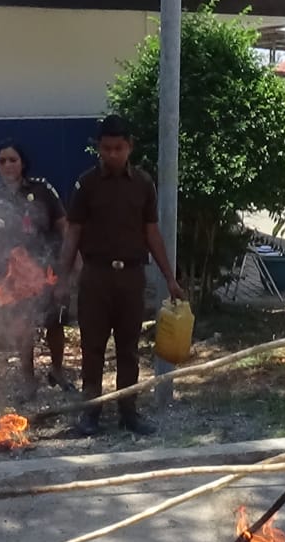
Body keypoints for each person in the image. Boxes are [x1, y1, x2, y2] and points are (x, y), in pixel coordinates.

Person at [57, 115, 184, 437]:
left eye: (119, 148)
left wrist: (169, 277)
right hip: (95, 279)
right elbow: (73, 233)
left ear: (130, 147)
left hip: (131, 278)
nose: (112, 154)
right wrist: (62, 279)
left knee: (129, 349)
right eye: (106, 148)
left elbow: (152, 232)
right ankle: (91, 414)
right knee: (92, 348)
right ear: (98, 148)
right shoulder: (85, 184)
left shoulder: (143, 184)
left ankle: (129, 411)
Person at [0, 140, 71, 400]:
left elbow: (63, 225)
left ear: (23, 163)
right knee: (23, 326)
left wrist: (66, 262)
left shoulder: (42, 190)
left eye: (13, 160)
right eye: (2, 161)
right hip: (13, 274)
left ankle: (57, 371)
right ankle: (28, 379)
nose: (8, 165)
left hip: (45, 267)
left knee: (55, 322)